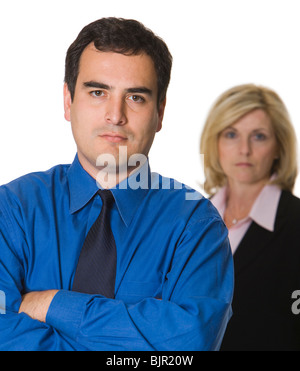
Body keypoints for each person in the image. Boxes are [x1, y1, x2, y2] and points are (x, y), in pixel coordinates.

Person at [0, 17, 233, 351]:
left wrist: (51, 304)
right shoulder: (12, 210)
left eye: (136, 97)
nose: (115, 115)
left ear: (160, 112)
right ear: (68, 101)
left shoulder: (196, 226)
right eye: (98, 92)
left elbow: (190, 344)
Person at [200, 83, 300, 351]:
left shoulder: (295, 223)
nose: (244, 149)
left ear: (279, 146)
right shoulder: (191, 220)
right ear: (215, 142)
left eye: (259, 136)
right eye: (231, 134)